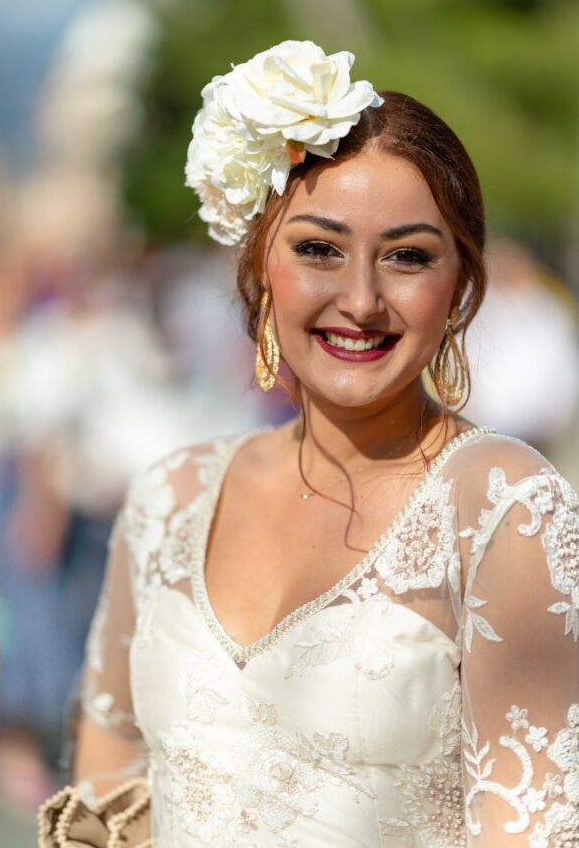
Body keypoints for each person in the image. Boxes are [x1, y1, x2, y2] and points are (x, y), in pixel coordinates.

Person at [66, 42, 578, 846]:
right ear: (260, 263)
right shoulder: (172, 494)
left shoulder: (502, 503)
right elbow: (106, 795)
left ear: (458, 288)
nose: (362, 299)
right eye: (318, 249)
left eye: (407, 257)